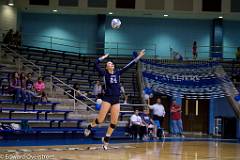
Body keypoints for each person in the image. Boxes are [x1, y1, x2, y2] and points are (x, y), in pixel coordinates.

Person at [84, 49, 145, 150]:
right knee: (100, 120)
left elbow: (130, 65)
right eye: (108, 63)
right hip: (107, 98)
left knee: (113, 122)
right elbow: (95, 64)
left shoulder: (118, 73)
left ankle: (106, 139)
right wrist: (103, 58)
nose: (110, 64)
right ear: (106, 67)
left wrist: (139, 57)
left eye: (111, 63)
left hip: (116, 99)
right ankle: (89, 127)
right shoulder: (104, 74)